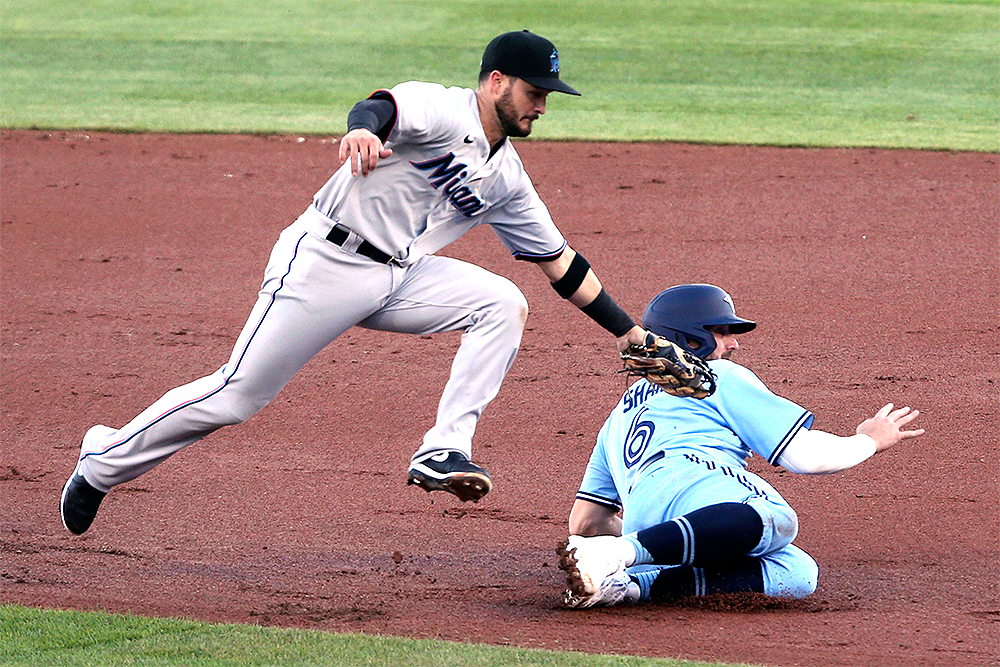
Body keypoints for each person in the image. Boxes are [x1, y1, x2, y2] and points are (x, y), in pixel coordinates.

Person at [59, 30, 659, 535]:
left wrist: (629, 333)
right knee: (237, 396)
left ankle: (442, 449)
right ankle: (101, 464)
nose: (542, 108)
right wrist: (364, 129)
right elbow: (385, 106)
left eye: (549, 97)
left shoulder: (507, 176)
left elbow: (561, 263)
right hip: (325, 261)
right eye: (534, 93)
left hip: (400, 275)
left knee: (502, 302)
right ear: (497, 81)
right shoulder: (443, 108)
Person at [556, 284, 925, 608]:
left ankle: (626, 586)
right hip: (693, 482)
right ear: (687, 339)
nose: (734, 343)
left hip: (655, 528)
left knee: (795, 572)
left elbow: (586, 522)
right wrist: (870, 440)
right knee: (774, 519)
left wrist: (654, 538)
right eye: (720, 331)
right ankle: (620, 554)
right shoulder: (713, 376)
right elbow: (806, 456)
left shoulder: (617, 415)